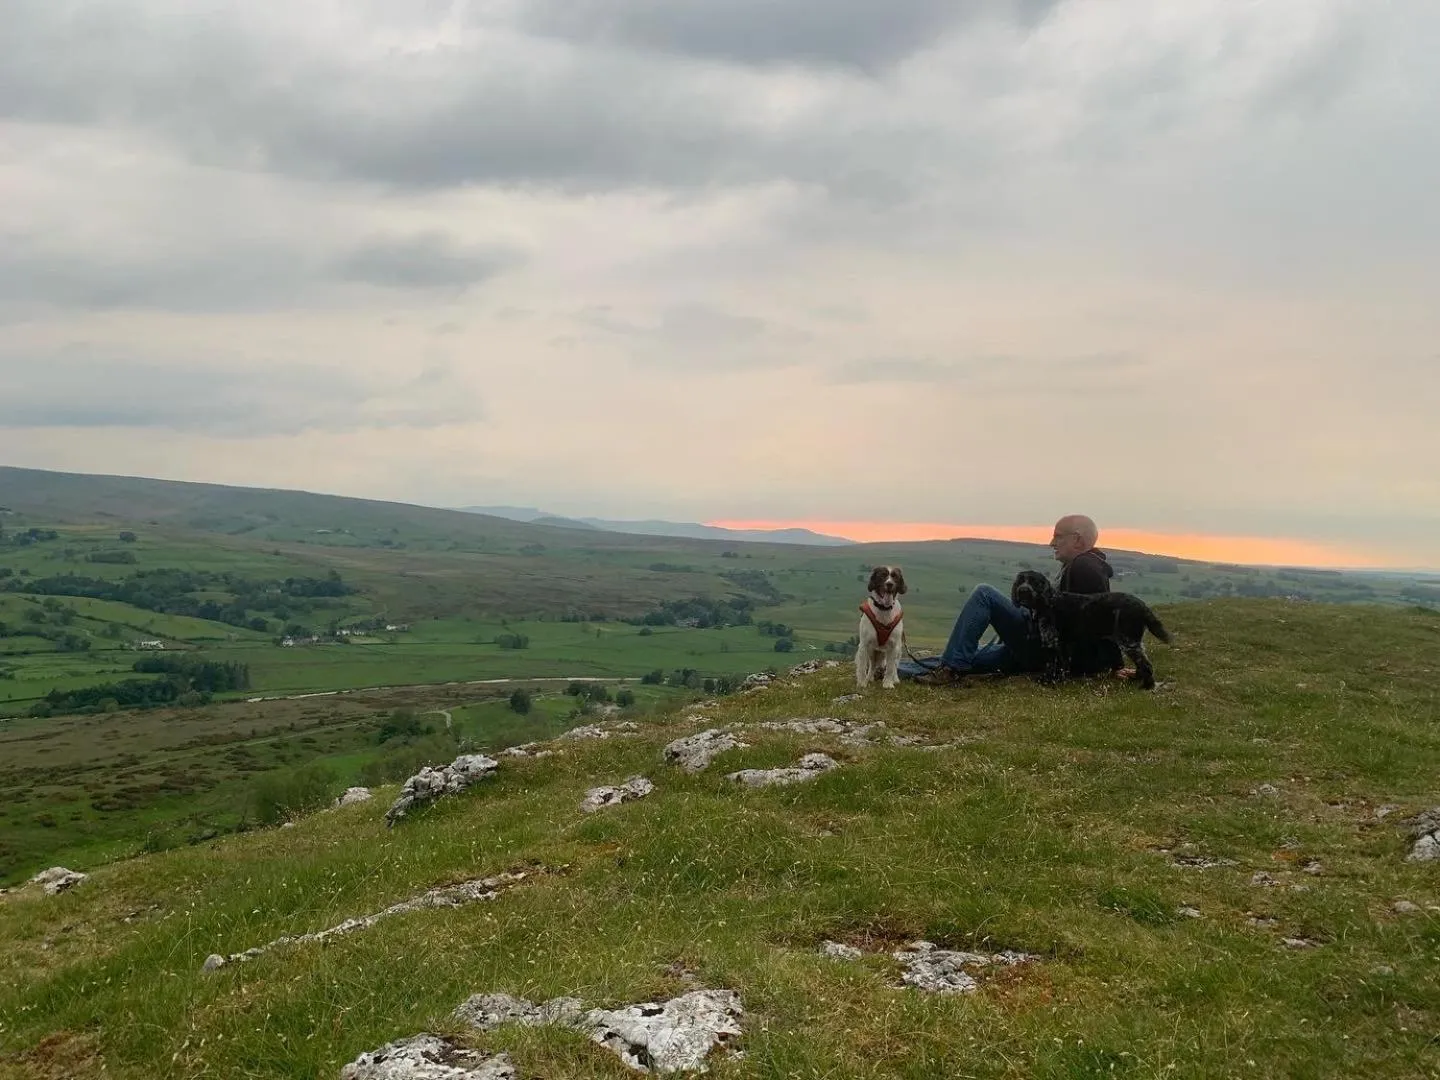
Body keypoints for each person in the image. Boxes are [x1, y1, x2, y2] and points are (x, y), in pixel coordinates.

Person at [901, 514, 1119, 684]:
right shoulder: (1083, 564)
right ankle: (891, 671)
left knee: (984, 594)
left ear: (1078, 540)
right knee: (967, 657)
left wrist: (1108, 665)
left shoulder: (1084, 567)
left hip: (1041, 650)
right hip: (1041, 647)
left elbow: (1096, 619)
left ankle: (949, 671)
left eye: (1058, 536)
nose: (1052, 542)